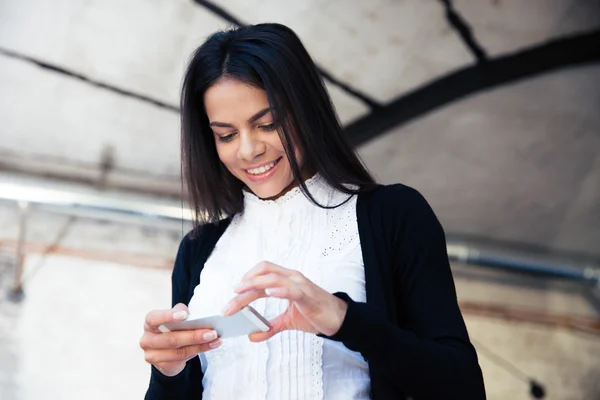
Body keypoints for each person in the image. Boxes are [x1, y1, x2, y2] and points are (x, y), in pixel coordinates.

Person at [140, 23, 486, 399]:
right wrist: (168, 372)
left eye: (268, 124)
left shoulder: (392, 215)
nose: (247, 150)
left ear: (306, 110)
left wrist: (344, 319)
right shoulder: (199, 249)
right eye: (226, 135)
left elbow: (462, 385)